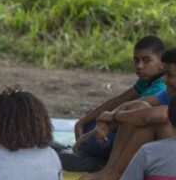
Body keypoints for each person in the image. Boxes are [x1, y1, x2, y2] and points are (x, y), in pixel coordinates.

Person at [72, 46, 176, 180]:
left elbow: (157, 115)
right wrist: (105, 121)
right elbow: (131, 104)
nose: (165, 80)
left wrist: (114, 117)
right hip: (168, 152)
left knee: (148, 121)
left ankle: (114, 177)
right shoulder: (173, 92)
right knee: (138, 107)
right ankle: (108, 172)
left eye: (169, 75)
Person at [61, 35, 166, 172]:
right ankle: (90, 155)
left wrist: (85, 138)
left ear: (162, 63)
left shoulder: (161, 87)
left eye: (146, 61)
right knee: (92, 118)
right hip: (120, 127)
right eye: (136, 61)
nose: (140, 66)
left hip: (134, 140)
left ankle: (97, 161)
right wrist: (81, 122)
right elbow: (117, 101)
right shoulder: (147, 80)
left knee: (94, 140)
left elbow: (127, 113)